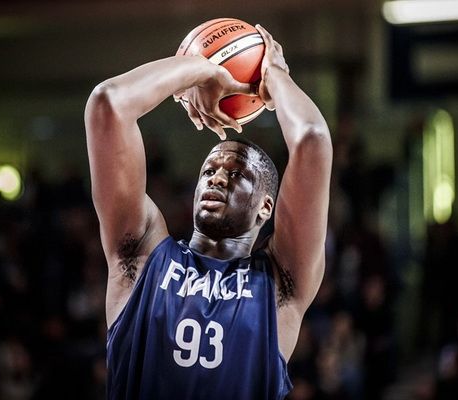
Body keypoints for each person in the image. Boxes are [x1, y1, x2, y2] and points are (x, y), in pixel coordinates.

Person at [84, 24, 332, 400]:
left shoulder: (281, 281)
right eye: (209, 171)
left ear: (266, 206)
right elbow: (108, 104)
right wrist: (201, 69)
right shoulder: (141, 256)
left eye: (236, 173)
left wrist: (274, 75)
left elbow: (312, 139)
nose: (216, 178)